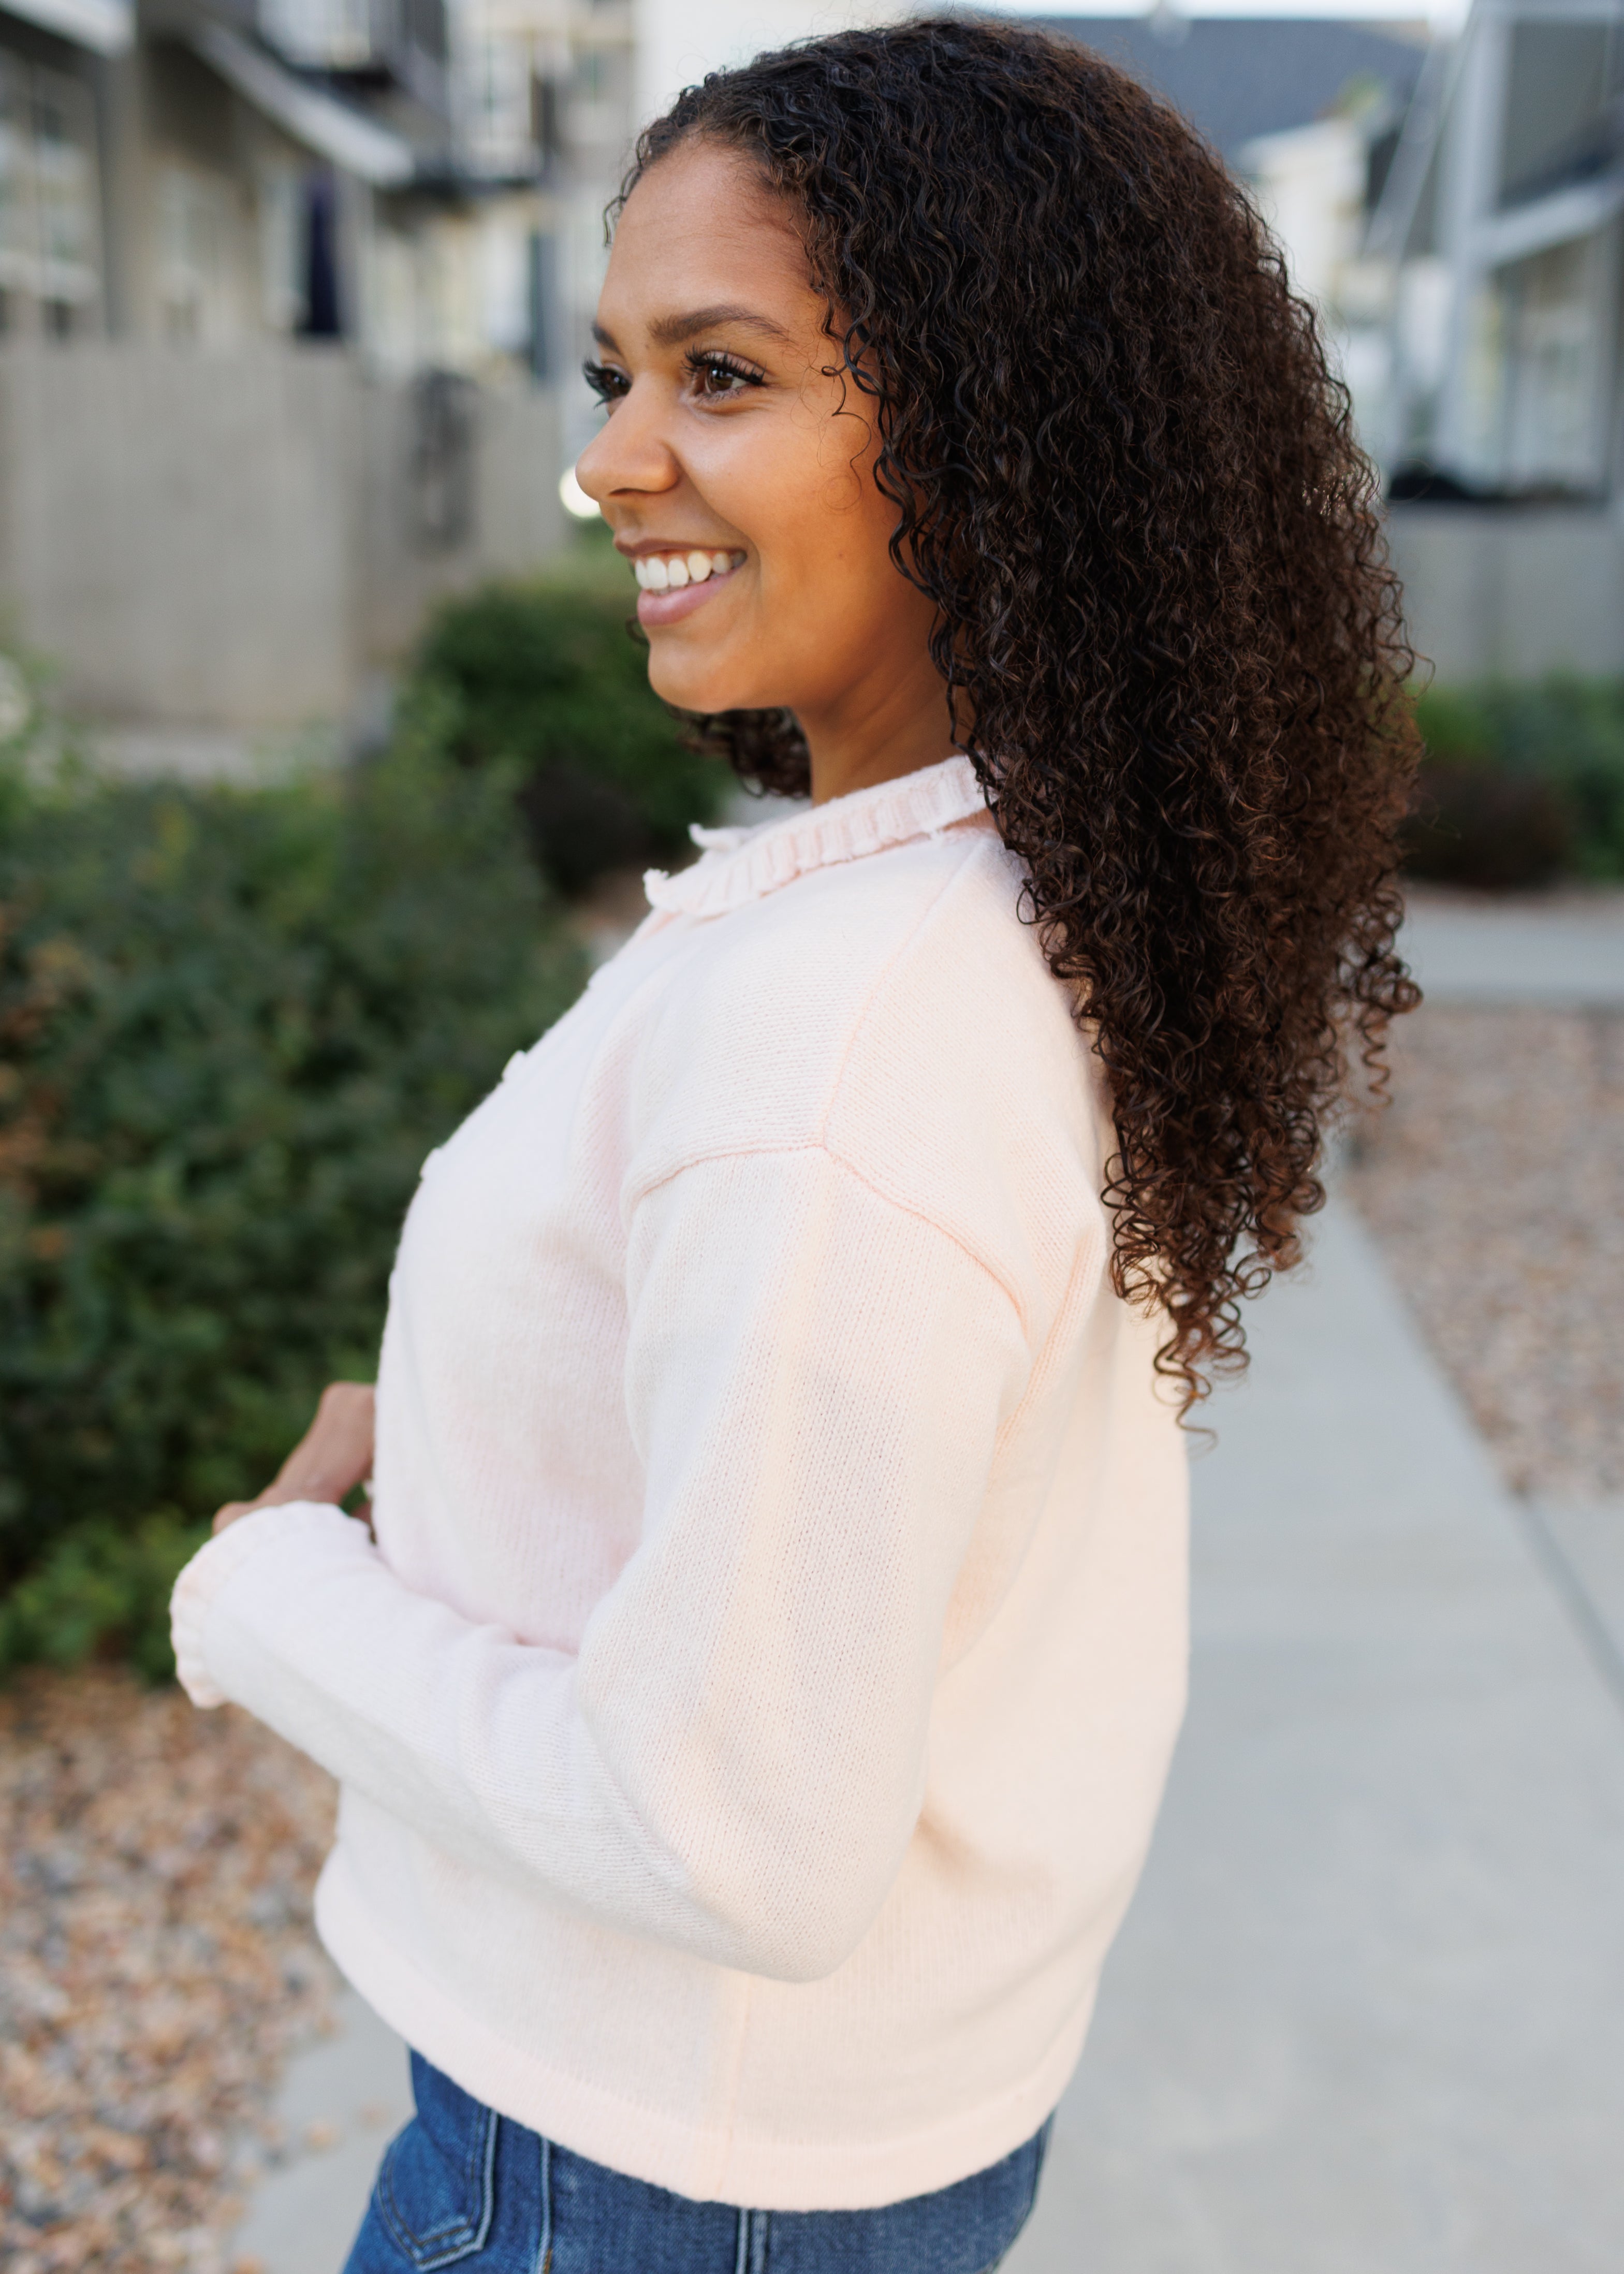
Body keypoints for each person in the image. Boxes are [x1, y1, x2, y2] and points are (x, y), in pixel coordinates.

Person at [170, 19, 1417, 2271]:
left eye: (720, 376)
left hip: (631, 2184)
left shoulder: (841, 1042)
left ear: (993, 433)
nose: (613, 459)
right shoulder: (983, 884)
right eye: (611, 372)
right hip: (807, 2147)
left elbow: (732, 1836)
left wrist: (268, 1594)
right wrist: (457, 1427)